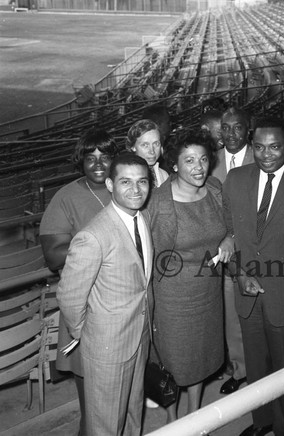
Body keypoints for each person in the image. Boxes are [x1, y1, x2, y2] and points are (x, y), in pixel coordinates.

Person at [223, 117, 284, 436]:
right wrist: (238, 275)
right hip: (247, 294)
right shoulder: (235, 179)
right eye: (260, 147)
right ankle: (261, 422)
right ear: (252, 146)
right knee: (256, 369)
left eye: (275, 147)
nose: (267, 155)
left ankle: (283, 429)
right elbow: (228, 236)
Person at [57, 153, 153, 436]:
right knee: (106, 426)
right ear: (110, 184)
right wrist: (90, 335)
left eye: (142, 182)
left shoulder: (140, 218)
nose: (136, 190)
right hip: (107, 346)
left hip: (139, 337)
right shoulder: (93, 236)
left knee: (134, 413)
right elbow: (69, 297)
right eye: (126, 182)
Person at [147, 129, 234, 421]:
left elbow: (228, 227)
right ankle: (173, 421)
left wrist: (229, 239)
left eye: (203, 159)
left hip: (208, 292)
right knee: (172, 362)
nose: (198, 167)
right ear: (174, 164)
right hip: (172, 299)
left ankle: (194, 417)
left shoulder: (215, 188)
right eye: (189, 161)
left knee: (200, 358)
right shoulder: (158, 202)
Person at [39, 127, 119, 436]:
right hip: (85, 304)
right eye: (90, 157)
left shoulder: (125, 187)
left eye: (106, 157)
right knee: (92, 404)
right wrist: (98, 244)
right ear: (80, 161)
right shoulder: (66, 196)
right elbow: (53, 255)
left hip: (123, 302)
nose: (99, 164)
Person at [211, 107, 253, 395]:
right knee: (229, 317)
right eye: (226, 128)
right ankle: (238, 368)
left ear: (248, 129)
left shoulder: (263, 156)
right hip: (219, 257)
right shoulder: (210, 162)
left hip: (256, 252)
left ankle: (259, 367)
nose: (232, 134)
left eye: (238, 128)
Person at [126, 119, 169, 188]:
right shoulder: (126, 176)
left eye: (156, 144)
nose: (152, 151)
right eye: (145, 145)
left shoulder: (164, 175)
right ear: (133, 146)